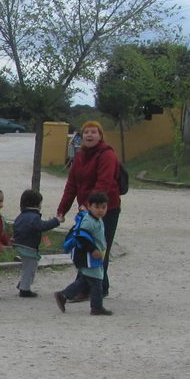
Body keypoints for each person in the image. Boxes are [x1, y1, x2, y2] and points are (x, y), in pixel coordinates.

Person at [57, 120, 122, 297]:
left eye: (94, 132)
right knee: (87, 246)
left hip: (105, 209)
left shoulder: (107, 155)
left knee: (98, 248)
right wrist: (62, 209)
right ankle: (101, 287)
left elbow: (104, 183)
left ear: (100, 136)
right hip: (86, 210)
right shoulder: (80, 156)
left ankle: (85, 289)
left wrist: (88, 205)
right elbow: (71, 185)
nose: (89, 135)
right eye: (86, 132)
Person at [55, 191, 113, 316]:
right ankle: (97, 307)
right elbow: (81, 236)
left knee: (86, 280)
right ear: (90, 206)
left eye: (103, 207)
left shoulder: (96, 219)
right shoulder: (89, 221)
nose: (100, 210)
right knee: (96, 281)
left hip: (94, 256)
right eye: (97, 207)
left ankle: (64, 295)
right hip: (89, 257)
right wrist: (93, 250)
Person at [11, 189, 62, 298]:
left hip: (20, 245)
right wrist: (56, 221)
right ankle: (24, 290)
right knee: (30, 268)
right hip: (29, 247)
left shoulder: (21, 216)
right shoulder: (34, 217)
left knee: (27, 267)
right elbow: (43, 226)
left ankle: (23, 285)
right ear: (36, 204)